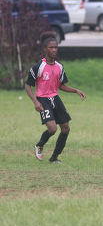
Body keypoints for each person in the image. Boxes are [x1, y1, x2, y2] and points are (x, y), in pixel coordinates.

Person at [25, 31, 86, 164]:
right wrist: (35, 101)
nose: (54, 49)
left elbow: (61, 86)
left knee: (65, 128)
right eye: (51, 47)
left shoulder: (59, 66)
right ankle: (40, 145)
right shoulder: (38, 67)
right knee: (52, 129)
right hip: (42, 99)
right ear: (45, 49)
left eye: (55, 47)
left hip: (55, 98)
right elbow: (28, 85)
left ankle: (54, 158)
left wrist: (75, 90)